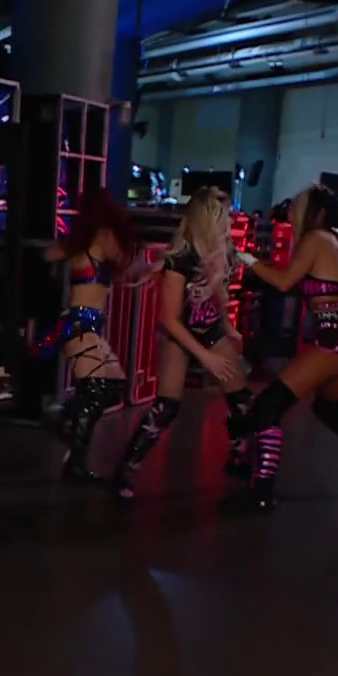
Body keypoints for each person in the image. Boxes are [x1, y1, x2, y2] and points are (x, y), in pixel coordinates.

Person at [229, 183, 338, 510]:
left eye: (298, 208)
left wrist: (244, 256)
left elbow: (283, 282)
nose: (292, 214)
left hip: (331, 341)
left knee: (269, 406)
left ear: (316, 214)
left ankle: (261, 491)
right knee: (328, 408)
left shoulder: (315, 240)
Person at [109, 187, 253, 500]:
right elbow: (171, 319)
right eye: (224, 215)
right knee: (166, 408)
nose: (229, 221)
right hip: (179, 333)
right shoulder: (180, 259)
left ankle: (238, 457)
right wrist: (205, 357)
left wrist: (229, 327)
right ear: (208, 218)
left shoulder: (221, 251)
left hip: (210, 328)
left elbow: (219, 293)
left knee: (242, 399)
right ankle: (126, 470)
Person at [34, 187, 142, 481]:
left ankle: (68, 427)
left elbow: (48, 254)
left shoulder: (82, 241)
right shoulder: (102, 236)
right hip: (80, 322)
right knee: (97, 389)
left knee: (112, 385)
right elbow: (128, 265)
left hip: (85, 322)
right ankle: (70, 445)